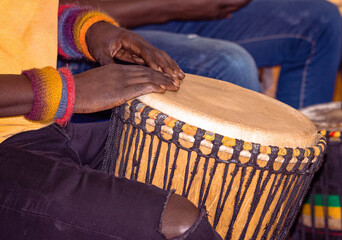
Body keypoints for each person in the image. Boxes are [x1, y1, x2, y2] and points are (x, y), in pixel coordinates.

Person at [0, 1, 223, 239]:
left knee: (200, 155)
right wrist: (67, 91)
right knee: (177, 223)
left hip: (40, 127)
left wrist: (87, 30)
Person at [66, 0, 342, 109]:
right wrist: (176, 6)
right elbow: (59, 16)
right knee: (230, 64)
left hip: (174, 12)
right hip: (91, 33)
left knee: (321, 21)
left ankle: (299, 188)